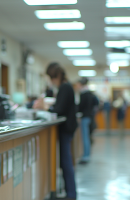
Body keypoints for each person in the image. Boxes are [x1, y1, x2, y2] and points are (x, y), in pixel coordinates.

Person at [34, 62, 77, 200]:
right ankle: (69, 192)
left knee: (66, 161)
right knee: (65, 160)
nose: (50, 81)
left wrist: (45, 108)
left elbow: (60, 110)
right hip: (66, 128)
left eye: (51, 78)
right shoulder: (65, 87)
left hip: (66, 128)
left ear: (55, 76)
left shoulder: (65, 87)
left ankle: (71, 194)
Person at [77, 77, 97, 164]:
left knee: (85, 137)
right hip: (90, 117)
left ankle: (86, 156)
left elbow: (80, 107)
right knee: (87, 137)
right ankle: (87, 154)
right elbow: (96, 103)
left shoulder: (83, 94)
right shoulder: (91, 94)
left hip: (85, 117)